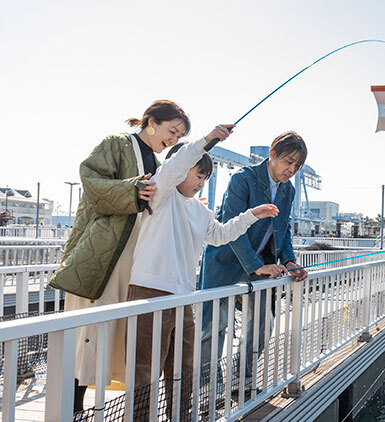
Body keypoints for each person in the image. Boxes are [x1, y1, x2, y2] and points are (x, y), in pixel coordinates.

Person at [126, 127, 278, 418]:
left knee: (184, 367)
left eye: (206, 178)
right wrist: (208, 140)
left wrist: (251, 215)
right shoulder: (161, 194)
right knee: (145, 369)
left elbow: (220, 235)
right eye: (198, 175)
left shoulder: (199, 210)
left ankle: (181, 416)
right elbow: (176, 165)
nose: (201, 182)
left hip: (183, 296)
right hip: (149, 292)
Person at [49, 100, 189, 412]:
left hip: (134, 258)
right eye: (172, 130)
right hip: (104, 253)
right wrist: (132, 189)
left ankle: (90, 409)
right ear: (151, 121)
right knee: (90, 332)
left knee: (113, 333)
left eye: (179, 136)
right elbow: (91, 180)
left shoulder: (155, 161)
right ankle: (72, 408)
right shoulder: (117, 144)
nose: (174, 140)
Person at [198, 131, 308, 382]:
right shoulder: (242, 179)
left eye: (297, 165)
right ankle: (206, 388)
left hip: (260, 265)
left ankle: (241, 380)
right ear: (272, 155)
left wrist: (289, 261)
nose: (292, 169)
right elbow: (231, 228)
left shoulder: (288, 190)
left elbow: (284, 230)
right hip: (224, 261)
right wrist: (258, 266)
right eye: (288, 161)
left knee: (262, 323)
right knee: (212, 327)